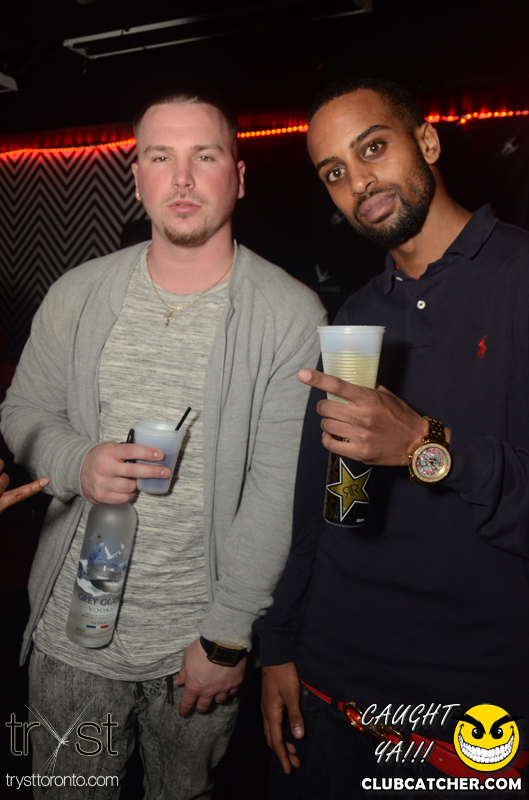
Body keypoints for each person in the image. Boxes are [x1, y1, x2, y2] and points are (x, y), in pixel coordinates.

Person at [1, 83, 326, 799]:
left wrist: (227, 637)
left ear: (238, 176)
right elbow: (22, 410)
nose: (181, 178)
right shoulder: (77, 293)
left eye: (204, 156)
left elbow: (277, 490)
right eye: (159, 157)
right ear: (137, 177)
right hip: (72, 637)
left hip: (197, 643)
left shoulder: (290, 314)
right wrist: (75, 461)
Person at [257, 78, 529, 798]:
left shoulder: (518, 280)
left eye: (372, 148)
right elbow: (323, 501)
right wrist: (278, 644)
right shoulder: (355, 312)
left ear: (427, 142)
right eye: (334, 172)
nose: (357, 182)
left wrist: (421, 446)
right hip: (330, 682)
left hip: (468, 707)